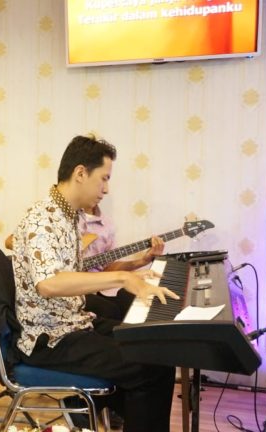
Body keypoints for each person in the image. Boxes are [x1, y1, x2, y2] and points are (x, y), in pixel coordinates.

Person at [10, 135, 178, 432]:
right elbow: (48, 283)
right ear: (80, 173)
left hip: (74, 323)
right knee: (149, 367)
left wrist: (135, 270)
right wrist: (123, 277)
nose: (106, 189)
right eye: (104, 178)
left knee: (155, 351)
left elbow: (78, 272)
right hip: (49, 338)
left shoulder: (70, 217)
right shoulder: (41, 219)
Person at [81, 204, 164, 322]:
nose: (104, 193)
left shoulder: (106, 223)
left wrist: (143, 261)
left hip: (103, 286)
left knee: (132, 300)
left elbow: (108, 268)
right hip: (75, 289)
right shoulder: (63, 219)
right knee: (110, 310)